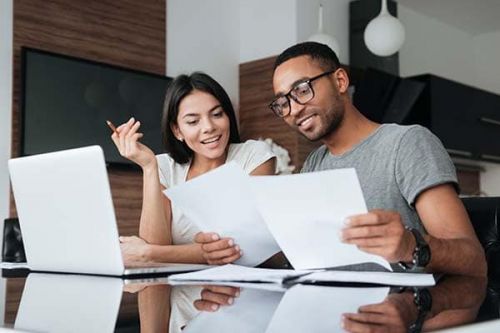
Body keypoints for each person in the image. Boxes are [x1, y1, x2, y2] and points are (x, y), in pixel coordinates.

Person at [197, 42, 486, 277]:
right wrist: (235, 249)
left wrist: (411, 245)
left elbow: (472, 259)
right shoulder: (314, 163)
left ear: (340, 80)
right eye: (283, 103)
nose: (294, 109)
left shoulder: (407, 143)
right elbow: (302, 256)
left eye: (301, 90)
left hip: (405, 312)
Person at [110, 72, 276, 265]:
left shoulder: (254, 156)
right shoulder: (165, 167)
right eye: (193, 121)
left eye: (216, 114)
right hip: (178, 292)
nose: (208, 127)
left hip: (240, 291)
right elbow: (155, 244)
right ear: (177, 130)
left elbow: (242, 246)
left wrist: (149, 253)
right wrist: (148, 167)